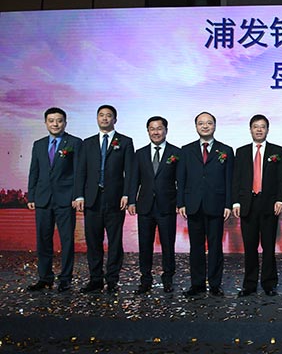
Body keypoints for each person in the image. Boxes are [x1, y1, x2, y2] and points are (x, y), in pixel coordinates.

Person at [75, 105, 134, 294]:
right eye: (101, 115)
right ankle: (95, 280)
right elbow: (81, 171)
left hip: (115, 199)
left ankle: (112, 280)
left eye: (109, 116)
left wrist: (127, 194)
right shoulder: (88, 143)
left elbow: (130, 172)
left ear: (115, 119)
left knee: (115, 241)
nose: (105, 118)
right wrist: (79, 195)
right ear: (97, 118)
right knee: (93, 241)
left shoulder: (125, 142)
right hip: (92, 199)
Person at [177, 112, 234, 297]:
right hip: (193, 204)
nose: (205, 126)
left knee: (216, 246)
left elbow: (229, 180)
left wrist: (228, 204)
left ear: (214, 126)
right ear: (196, 127)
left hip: (216, 204)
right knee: (196, 247)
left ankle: (215, 284)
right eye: (201, 123)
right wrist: (181, 202)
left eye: (209, 123)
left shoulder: (226, 150)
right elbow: (181, 178)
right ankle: (197, 284)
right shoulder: (186, 150)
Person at [26, 107, 82, 293]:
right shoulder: (38, 144)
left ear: (65, 123)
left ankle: (65, 279)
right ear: (45, 123)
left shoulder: (74, 143)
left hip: (66, 200)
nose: (55, 124)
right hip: (42, 199)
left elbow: (78, 172)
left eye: (59, 120)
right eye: (51, 121)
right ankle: (45, 278)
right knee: (43, 240)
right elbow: (34, 171)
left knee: (67, 241)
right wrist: (31, 195)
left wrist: (77, 195)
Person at [232, 115, 282, 297]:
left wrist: (281, 200)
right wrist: (236, 202)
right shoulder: (241, 152)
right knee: (250, 247)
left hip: (269, 204)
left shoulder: (277, 151)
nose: (259, 130)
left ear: (267, 130)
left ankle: (269, 284)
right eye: (255, 126)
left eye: (262, 127)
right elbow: (236, 179)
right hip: (248, 204)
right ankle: (249, 284)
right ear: (250, 129)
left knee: (269, 246)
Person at [128, 116, 180, 294]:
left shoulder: (176, 152)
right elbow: (134, 179)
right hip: (145, 206)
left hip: (167, 205)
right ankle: (145, 280)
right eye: (152, 128)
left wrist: (180, 202)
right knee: (145, 245)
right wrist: (131, 200)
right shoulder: (140, 153)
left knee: (168, 245)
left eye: (159, 128)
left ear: (166, 130)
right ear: (148, 131)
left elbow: (181, 181)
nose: (156, 132)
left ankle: (168, 279)